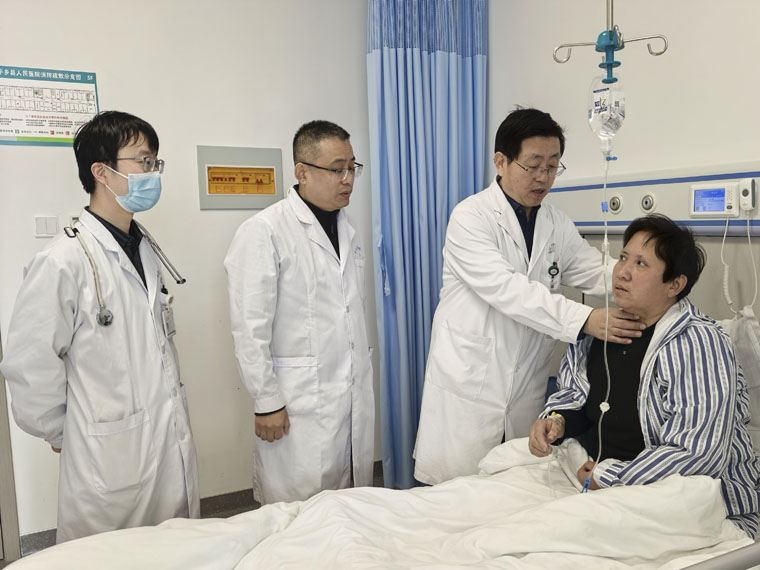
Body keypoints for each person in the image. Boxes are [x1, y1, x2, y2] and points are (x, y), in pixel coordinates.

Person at [413, 108, 645, 485]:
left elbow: (592, 269)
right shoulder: (470, 218)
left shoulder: (556, 223)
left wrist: (641, 277)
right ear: (501, 162)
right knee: (454, 495)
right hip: (470, 385)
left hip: (526, 389)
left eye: (552, 166)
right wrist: (586, 319)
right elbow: (508, 290)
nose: (543, 177)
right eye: (533, 165)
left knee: (514, 493)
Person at [0, 111, 199, 542]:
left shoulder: (144, 249)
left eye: (155, 162)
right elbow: (29, 363)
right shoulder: (63, 261)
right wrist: (58, 429)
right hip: (106, 455)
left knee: (174, 549)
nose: (153, 172)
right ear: (101, 172)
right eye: (143, 161)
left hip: (164, 438)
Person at [529, 214, 760, 537]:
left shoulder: (698, 344)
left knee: (540, 536)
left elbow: (697, 453)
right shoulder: (600, 329)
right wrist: (556, 420)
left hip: (670, 495)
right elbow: (573, 394)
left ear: (675, 284)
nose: (621, 271)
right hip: (588, 473)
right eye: (623, 257)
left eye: (640, 264)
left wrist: (608, 477)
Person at [224, 120, 374, 504]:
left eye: (352, 168)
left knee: (347, 508)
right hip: (297, 401)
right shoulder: (264, 231)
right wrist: (267, 402)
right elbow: (249, 328)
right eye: (337, 169)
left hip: (347, 390)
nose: (348, 179)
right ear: (302, 172)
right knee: (295, 514)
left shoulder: (347, 229)